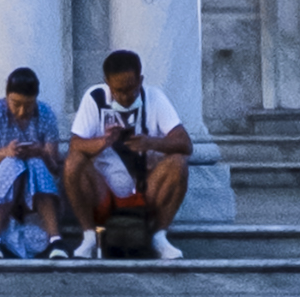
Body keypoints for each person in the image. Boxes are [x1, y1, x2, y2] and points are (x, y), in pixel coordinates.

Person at [62, 48, 200, 263]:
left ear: (141, 80)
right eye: (118, 91)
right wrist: (103, 142)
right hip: (103, 192)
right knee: (73, 162)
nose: (126, 97)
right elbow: (75, 145)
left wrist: (151, 143)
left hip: (146, 190)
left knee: (178, 162)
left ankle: (159, 235)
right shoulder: (95, 97)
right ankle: (89, 235)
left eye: (131, 89)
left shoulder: (154, 97)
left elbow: (185, 144)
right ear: (107, 82)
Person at [0, 65, 66, 259]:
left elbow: (54, 166)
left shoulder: (46, 113)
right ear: (7, 97)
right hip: (2, 187)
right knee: (12, 164)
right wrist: (4, 153)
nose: (21, 111)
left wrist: (40, 152)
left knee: (35, 163)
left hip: (36, 188)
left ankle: (55, 238)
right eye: (16, 104)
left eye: (28, 105)